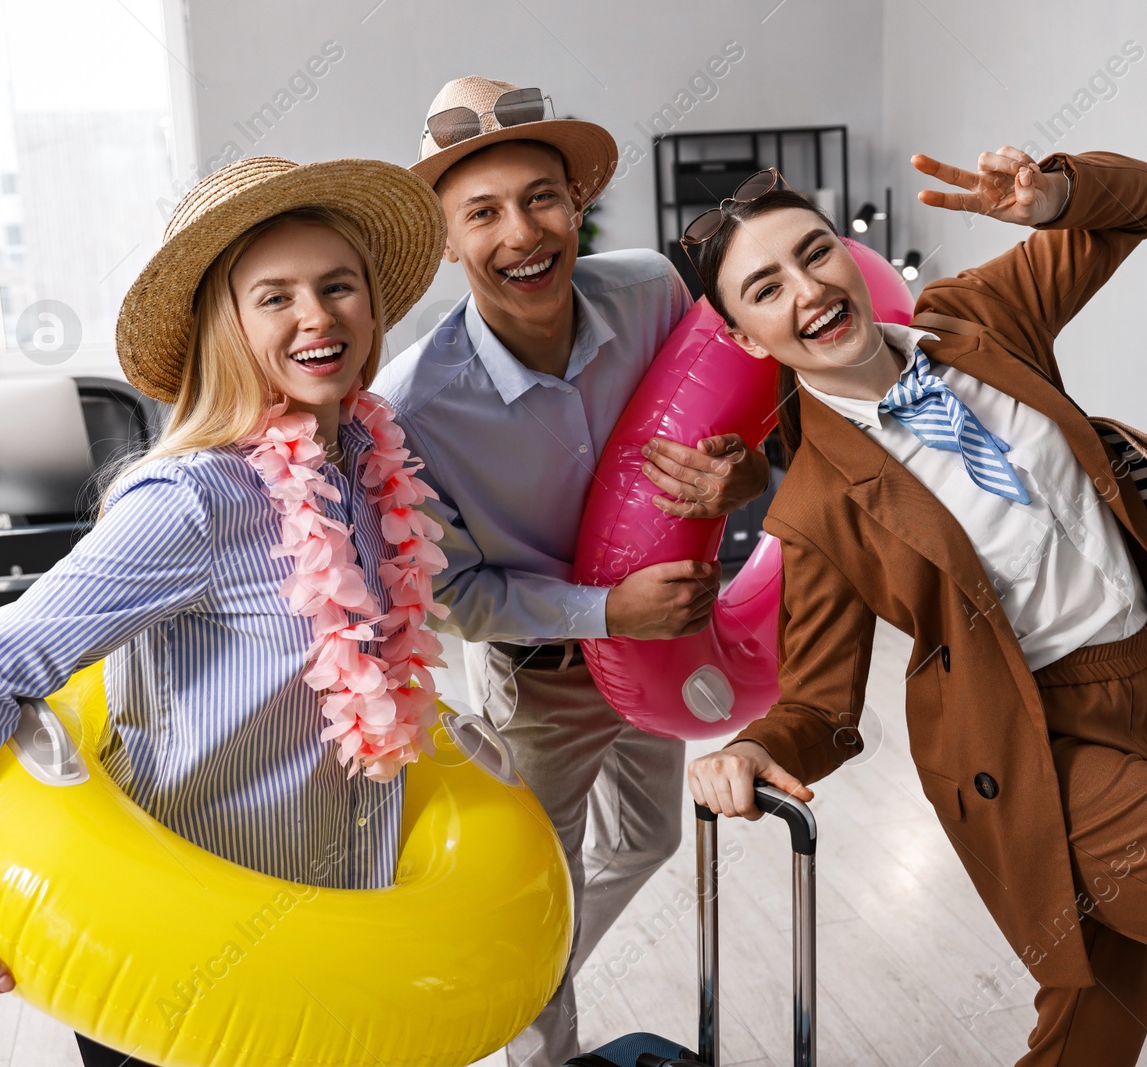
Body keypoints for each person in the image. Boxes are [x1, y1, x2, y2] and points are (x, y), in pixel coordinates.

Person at [685, 147, 1147, 1066]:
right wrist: (752, 747)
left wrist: (1057, 194)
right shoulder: (820, 504)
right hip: (1033, 750)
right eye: (766, 286)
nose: (808, 289)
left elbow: (1136, 205)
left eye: (814, 253)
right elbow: (822, 709)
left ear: (847, 256)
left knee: (1089, 1039)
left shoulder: (979, 319)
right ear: (750, 337)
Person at [0, 155, 449, 1067]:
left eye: (339, 285)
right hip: (186, 947)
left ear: (372, 307)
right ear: (225, 325)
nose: (317, 315)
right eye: (275, 296)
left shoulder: (371, 474)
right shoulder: (193, 499)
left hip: (331, 923)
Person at [375, 76, 771, 1065]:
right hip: (540, 675)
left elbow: (742, 432)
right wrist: (605, 607)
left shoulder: (652, 290)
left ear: (576, 205)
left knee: (646, 841)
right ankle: (527, 1025)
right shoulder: (411, 408)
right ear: (448, 239)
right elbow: (456, 594)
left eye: (541, 197)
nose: (522, 231)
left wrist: (740, 480)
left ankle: (503, 981)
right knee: (534, 890)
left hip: (662, 654)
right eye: (484, 212)